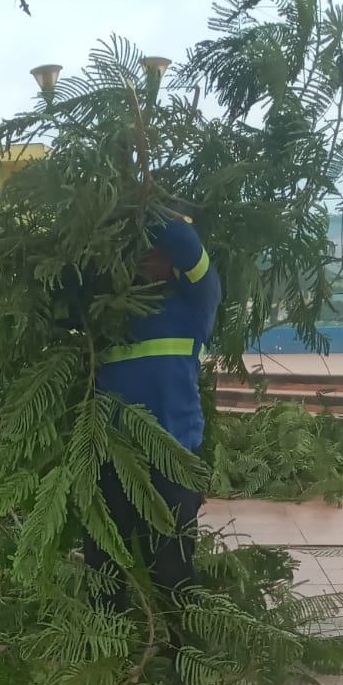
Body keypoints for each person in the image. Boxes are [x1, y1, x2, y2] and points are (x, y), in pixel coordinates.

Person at [87, 213, 221, 607]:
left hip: (173, 457)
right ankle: (105, 641)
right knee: (104, 569)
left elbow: (186, 243)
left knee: (173, 569)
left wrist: (139, 205)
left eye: (157, 251)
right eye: (139, 252)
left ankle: (183, 643)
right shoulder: (109, 313)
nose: (148, 257)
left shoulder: (196, 302)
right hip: (110, 456)